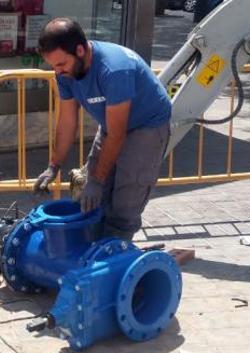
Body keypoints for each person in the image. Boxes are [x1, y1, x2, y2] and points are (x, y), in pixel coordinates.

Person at [33, 18, 171, 241]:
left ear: (79, 50)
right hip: (112, 125)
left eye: (60, 64)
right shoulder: (66, 73)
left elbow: (118, 134)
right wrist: (53, 165)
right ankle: (92, 249)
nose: (57, 72)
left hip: (147, 126)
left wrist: (97, 181)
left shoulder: (114, 69)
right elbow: (67, 122)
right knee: (90, 198)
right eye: (53, 66)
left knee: (125, 201)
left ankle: (114, 255)